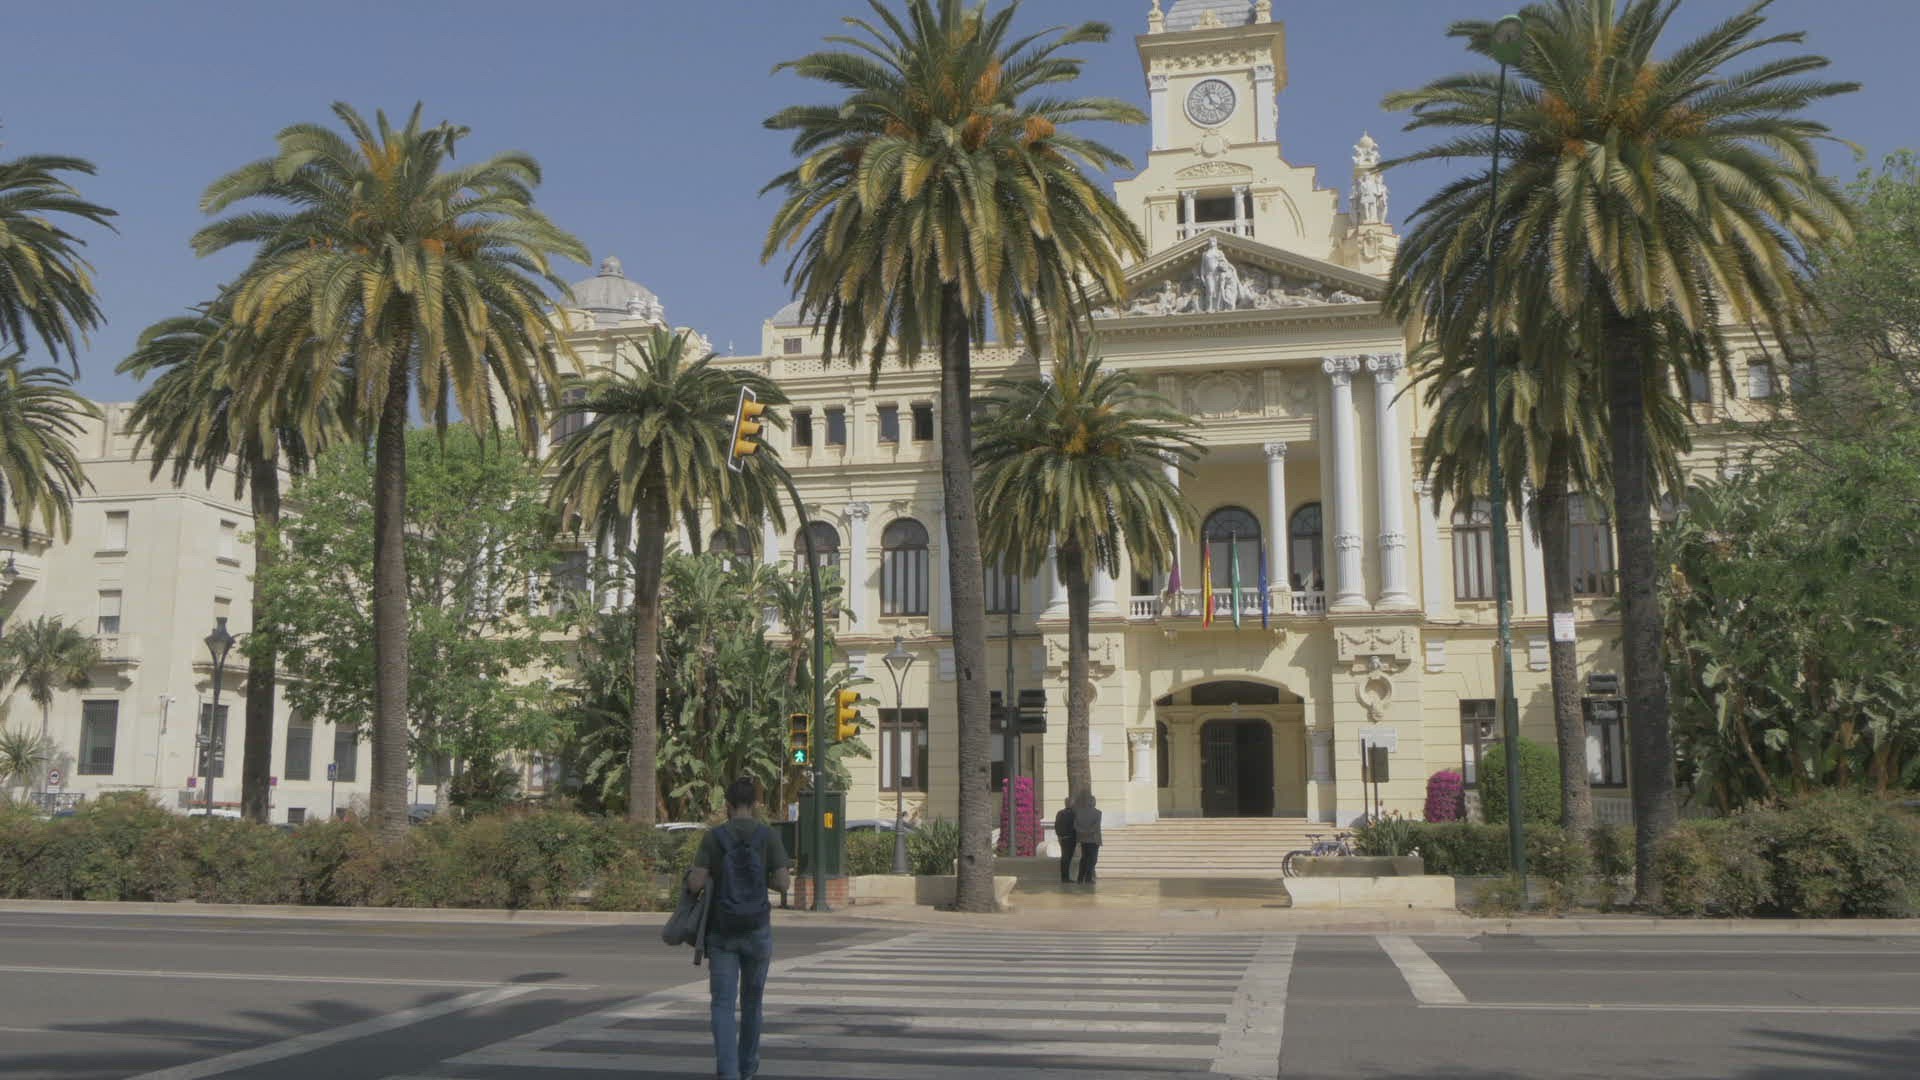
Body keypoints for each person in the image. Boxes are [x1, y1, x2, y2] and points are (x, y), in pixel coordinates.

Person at [687, 776, 790, 1080]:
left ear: (728, 806)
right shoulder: (768, 836)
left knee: (722, 1004)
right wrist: (761, 879)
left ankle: (728, 1072)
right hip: (757, 929)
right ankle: (748, 1068)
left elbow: (695, 884)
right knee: (752, 1004)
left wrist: (705, 878)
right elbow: (783, 883)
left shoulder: (714, 837)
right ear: (755, 805)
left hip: (722, 932)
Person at [1074, 791, 1103, 884]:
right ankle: (1088, 878)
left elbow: (1075, 826)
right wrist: (1088, 832)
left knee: (1084, 859)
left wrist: (1082, 832)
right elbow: (1095, 827)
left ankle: (1080, 878)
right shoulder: (1098, 813)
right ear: (1094, 802)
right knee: (1092, 860)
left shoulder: (1079, 812)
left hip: (1083, 839)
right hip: (1093, 839)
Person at [1053, 796, 1077, 883]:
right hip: (1071, 838)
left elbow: (1056, 826)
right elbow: (1076, 826)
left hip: (1063, 838)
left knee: (1064, 858)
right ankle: (1066, 878)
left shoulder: (1060, 813)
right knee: (1067, 858)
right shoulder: (1074, 813)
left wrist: (1059, 836)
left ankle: (1064, 877)